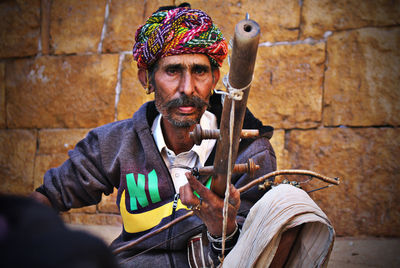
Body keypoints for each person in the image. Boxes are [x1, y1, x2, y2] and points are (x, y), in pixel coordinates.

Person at [31, 3, 334, 268]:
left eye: (200, 71)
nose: (187, 88)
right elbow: (46, 197)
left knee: (292, 204)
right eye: (173, 70)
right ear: (146, 79)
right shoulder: (114, 143)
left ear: (215, 78)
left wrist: (222, 229)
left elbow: (247, 251)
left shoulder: (251, 153)